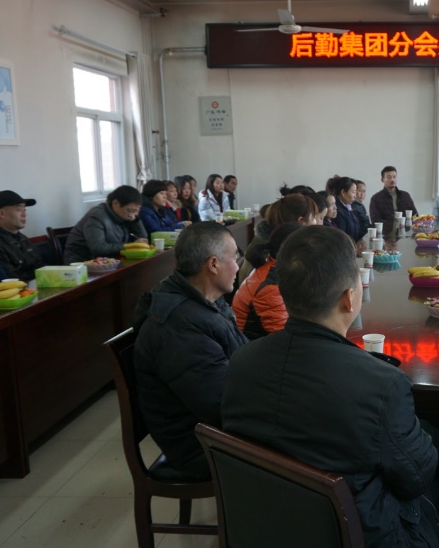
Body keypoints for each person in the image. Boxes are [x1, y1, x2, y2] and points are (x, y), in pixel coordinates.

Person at [222, 226, 439, 548]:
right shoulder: (379, 383)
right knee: (431, 475)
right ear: (351, 298)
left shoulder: (240, 363)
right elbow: (416, 479)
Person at [132, 222, 248, 478]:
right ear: (213, 264)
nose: (238, 266)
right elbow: (222, 407)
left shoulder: (202, 300)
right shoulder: (177, 326)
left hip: (212, 424)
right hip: (199, 444)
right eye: (235, 257)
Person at [232, 222, 301, 339]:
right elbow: (285, 337)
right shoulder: (270, 287)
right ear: (293, 253)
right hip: (251, 344)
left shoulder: (281, 272)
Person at [238, 193, 320, 283]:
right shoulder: (281, 250)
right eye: (314, 217)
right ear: (301, 221)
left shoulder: (269, 240)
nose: (317, 222)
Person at [63, 185, 149, 263]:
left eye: (136, 211)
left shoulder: (124, 215)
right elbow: (98, 248)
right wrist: (131, 245)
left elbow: (142, 238)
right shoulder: (97, 216)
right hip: (81, 262)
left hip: (109, 260)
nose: (132, 214)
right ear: (115, 203)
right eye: (130, 210)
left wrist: (135, 220)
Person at [0, 190, 44, 281]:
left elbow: (40, 266)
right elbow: (12, 279)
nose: (24, 214)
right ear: (2, 213)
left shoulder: (22, 238)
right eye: (18, 209)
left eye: (24, 210)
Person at [327, 176, 364, 241]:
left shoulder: (350, 207)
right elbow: (342, 237)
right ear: (343, 192)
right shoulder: (337, 211)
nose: (355, 196)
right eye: (353, 192)